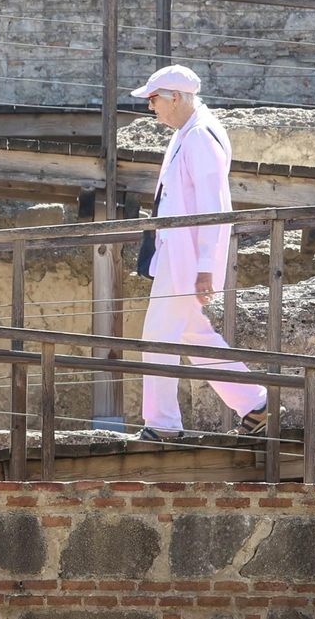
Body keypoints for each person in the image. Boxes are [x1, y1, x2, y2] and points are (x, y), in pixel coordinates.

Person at [130, 65, 268, 442]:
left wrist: (207, 267)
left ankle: (162, 425)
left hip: (185, 258)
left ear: (175, 97)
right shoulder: (188, 133)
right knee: (193, 335)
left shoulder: (200, 136)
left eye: (154, 99)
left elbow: (215, 208)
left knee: (158, 338)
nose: (150, 107)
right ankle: (255, 403)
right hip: (178, 254)